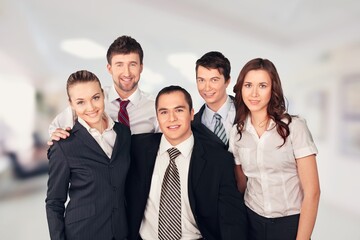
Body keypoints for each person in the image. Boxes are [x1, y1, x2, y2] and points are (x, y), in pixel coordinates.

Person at [126, 85, 248, 240]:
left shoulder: (218, 160)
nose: (172, 118)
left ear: (192, 114)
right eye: (164, 112)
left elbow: (232, 221)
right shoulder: (137, 149)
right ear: (157, 117)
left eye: (179, 110)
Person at [228, 58, 321, 240]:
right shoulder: (237, 133)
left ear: (273, 89)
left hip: (289, 223)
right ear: (241, 88)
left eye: (262, 86)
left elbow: (313, 192)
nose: (254, 93)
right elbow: (241, 185)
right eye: (248, 85)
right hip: (251, 220)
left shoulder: (295, 127)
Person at [45, 70, 131, 240]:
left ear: (103, 95)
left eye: (95, 98)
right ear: (71, 104)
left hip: (120, 231)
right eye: (81, 102)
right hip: (83, 233)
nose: (91, 108)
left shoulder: (123, 134)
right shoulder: (65, 144)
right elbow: (54, 203)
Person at [48, 35, 158, 144]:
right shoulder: (93, 98)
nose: (127, 73)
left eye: (132, 65)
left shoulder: (155, 106)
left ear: (141, 67)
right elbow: (55, 128)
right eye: (119, 65)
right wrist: (57, 135)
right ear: (109, 69)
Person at [192, 51, 235, 149]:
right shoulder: (192, 125)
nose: (207, 88)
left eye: (214, 80)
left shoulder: (246, 112)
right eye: (201, 80)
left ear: (227, 81)